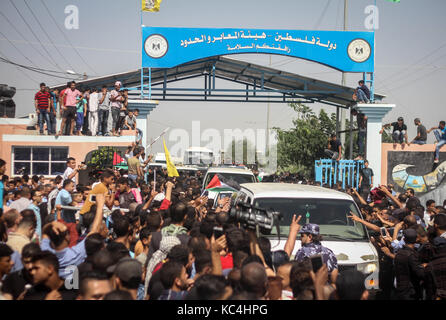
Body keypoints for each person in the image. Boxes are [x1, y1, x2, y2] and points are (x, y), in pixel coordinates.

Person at [394, 228, 426, 300]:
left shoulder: (399, 253)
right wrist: (424, 267)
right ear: (416, 239)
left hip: (400, 289)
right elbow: (420, 273)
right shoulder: (410, 255)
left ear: (404, 239)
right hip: (410, 292)